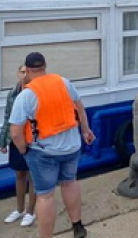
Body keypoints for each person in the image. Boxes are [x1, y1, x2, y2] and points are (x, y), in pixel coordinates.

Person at [9, 52, 95, 238]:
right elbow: (80, 108)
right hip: (72, 147)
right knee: (70, 183)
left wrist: (24, 151)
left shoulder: (26, 95)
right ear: (45, 67)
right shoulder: (64, 83)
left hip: (43, 152)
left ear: (27, 70)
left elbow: (15, 132)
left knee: (45, 195)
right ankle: (77, 226)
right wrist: (86, 131)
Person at [0, 64, 37, 226]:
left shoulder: (36, 93)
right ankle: (19, 209)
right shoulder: (12, 94)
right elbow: (7, 117)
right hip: (16, 138)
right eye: (22, 72)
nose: (24, 75)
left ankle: (31, 211)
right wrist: (2, 140)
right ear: (18, 74)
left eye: (27, 72)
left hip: (33, 140)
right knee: (19, 174)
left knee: (33, 176)